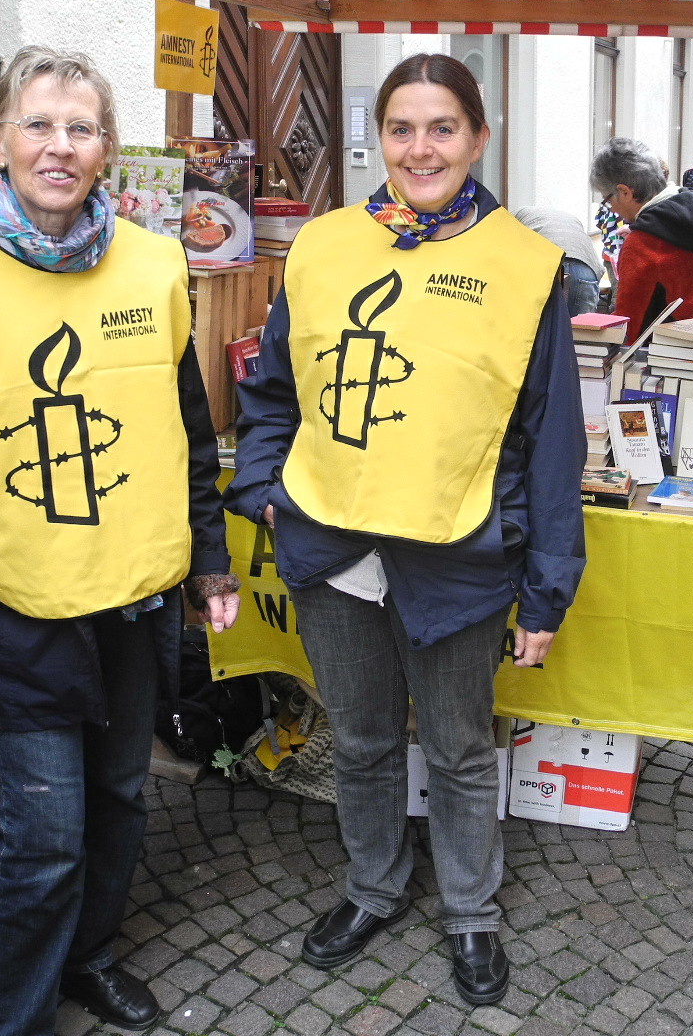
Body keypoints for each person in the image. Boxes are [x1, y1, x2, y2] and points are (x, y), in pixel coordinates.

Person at [0, 46, 239, 1036]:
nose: (58, 146)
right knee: (44, 833)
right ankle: (8, 1020)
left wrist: (208, 558)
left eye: (80, 127)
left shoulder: (156, 265)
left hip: (135, 591)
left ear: (106, 148)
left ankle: (89, 955)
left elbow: (188, 430)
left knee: (120, 796)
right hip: (16, 601)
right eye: (37, 124)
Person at [225, 53, 584, 1009]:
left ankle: (470, 911)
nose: (421, 149)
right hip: (333, 546)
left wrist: (546, 587)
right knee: (361, 736)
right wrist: (264, 488)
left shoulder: (525, 268)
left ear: (478, 138)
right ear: (377, 138)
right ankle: (374, 887)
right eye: (401, 128)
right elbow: (271, 389)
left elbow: (553, 437)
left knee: (460, 746)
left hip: (456, 554)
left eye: (442, 128)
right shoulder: (323, 247)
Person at [594, 136, 693, 341]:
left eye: (607, 200)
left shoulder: (642, 242)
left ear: (624, 192)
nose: (611, 209)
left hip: (674, 351)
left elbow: (629, 326)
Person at [512, 205, 606, 316]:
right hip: (586, 269)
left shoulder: (509, 219)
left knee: (547, 324)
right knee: (583, 326)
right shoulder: (569, 219)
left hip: (552, 267)